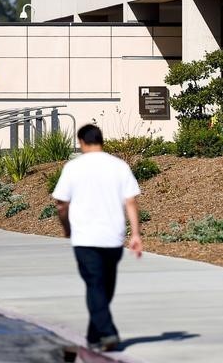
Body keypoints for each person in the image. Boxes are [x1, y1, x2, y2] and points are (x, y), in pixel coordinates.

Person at [52, 124, 142, 352]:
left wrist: (67, 228)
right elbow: (131, 201)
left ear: (82, 142)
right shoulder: (119, 166)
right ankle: (94, 337)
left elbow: (61, 204)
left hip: (85, 238)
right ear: (101, 140)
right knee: (103, 287)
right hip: (113, 237)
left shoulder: (73, 167)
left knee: (96, 286)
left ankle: (107, 332)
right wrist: (136, 234)